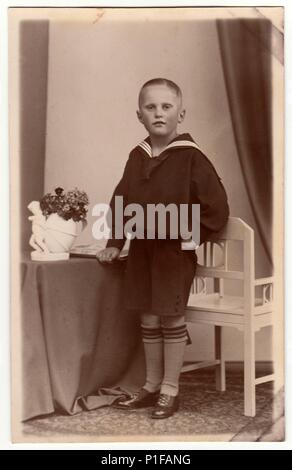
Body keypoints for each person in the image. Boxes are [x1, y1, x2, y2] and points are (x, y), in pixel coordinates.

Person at [96, 78, 229, 419]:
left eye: (166, 107)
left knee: (170, 316)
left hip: (173, 253)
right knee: (148, 315)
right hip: (142, 249)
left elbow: (218, 207)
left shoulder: (191, 157)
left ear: (180, 114)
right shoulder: (136, 156)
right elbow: (121, 200)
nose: (158, 113)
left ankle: (171, 389)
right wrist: (115, 242)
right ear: (139, 115)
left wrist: (192, 233)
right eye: (150, 107)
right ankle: (151, 385)